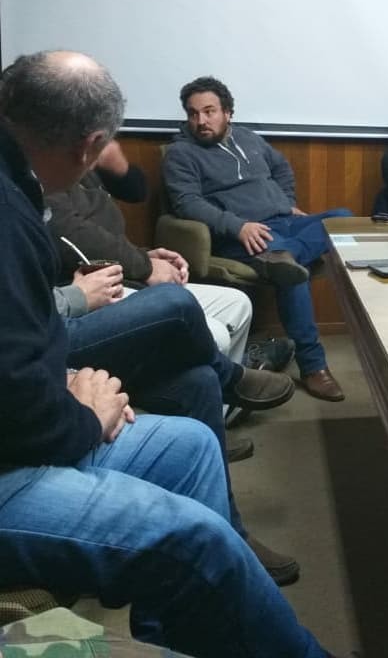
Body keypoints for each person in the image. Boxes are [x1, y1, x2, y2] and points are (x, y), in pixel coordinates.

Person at [0, 50, 339, 658]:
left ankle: (181, 632)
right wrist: (85, 414)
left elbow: (18, 347)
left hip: (40, 400)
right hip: (17, 458)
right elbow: (18, 402)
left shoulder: (20, 183)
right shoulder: (13, 213)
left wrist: (65, 376)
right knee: (196, 539)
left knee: (193, 435)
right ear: (90, 145)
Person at [54, 274, 301, 584]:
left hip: (57, 327)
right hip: (54, 337)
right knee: (175, 301)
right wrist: (74, 297)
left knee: (200, 381)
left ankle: (228, 530)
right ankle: (231, 377)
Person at [162, 76, 351, 402]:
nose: (201, 121)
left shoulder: (248, 138)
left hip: (284, 225)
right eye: (193, 114)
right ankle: (314, 366)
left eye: (209, 111)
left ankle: (286, 255)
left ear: (228, 112)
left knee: (344, 220)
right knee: (292, 275)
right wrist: (238, 226)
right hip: (242, 236)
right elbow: (187, 203)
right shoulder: (181, 153)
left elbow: (281, 168)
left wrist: (287, 202)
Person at [46, 139, 259, 367]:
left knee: (238, 304)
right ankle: (224, 376)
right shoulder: (43, 167)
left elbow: (137, 192)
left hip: (124, 271)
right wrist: (145, 267)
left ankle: (227, 386)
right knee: (214, 334)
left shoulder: (84, 156)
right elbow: (70, 235)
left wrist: (144, 255)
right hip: (88, 286)